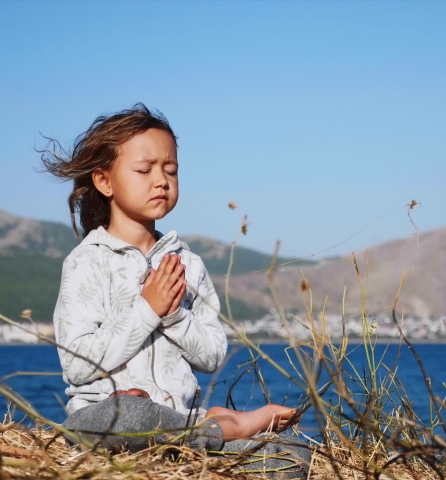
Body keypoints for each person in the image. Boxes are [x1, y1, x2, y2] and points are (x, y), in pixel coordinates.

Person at [42, 104, 305, 458]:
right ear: (104, 181)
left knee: (291, 453)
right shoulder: (86, 262)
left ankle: (204, 430)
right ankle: (226, 427)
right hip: (105, 419)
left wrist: (174, 316)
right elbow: (77, 365)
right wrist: (146, 309)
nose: (161, 181)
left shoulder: (189, 264)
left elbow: (212, 356)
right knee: (130, 416)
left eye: (171, 170)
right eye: (144, 170)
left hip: (176, 419)